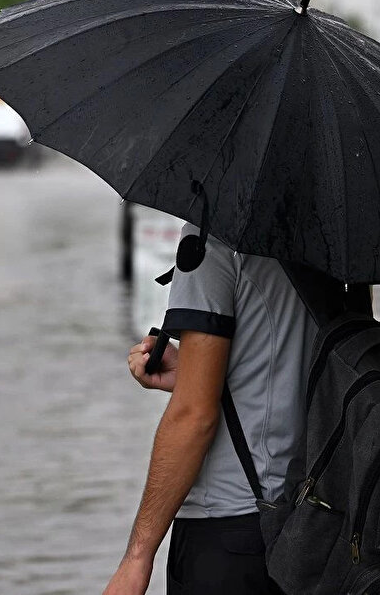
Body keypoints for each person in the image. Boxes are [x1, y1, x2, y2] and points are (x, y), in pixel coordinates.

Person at [101, 223, 315, 595]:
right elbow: (295, 371)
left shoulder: (211, 241)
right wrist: (194, 373)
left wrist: (136, 559)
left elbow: (193, 417)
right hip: (311, 522)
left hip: (228, 534)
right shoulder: (331, 243)